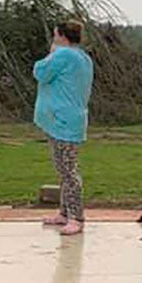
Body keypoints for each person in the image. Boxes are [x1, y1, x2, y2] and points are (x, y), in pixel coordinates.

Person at [33, 20, 94, 235]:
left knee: (68, 171)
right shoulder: (83, 57)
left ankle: (76, 217)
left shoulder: (63, 55)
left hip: (63, 121)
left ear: (61, 36)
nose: (53, 39)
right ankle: (64, 213)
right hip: (68, 119)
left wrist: (51, 53)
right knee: (63, 169)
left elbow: (40, 72)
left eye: (55, 35)